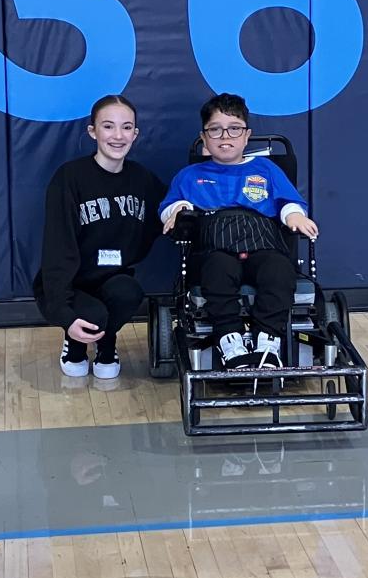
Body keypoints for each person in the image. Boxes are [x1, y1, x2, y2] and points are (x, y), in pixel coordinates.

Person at [159, 92, 319, 370]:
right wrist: (178, 210)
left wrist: (294, 214)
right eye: (215, 130)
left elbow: (289, 201)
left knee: (279, 270)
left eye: (234, 129)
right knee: (218, 270)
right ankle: (229, 340)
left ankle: (268, 341)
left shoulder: (266, 169)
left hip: (262, 243)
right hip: (215, 247)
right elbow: (168, 207)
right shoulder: (189, 176)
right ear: (204, 137)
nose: (225, 137)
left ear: (246, 136)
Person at [34, 95, 166, 380]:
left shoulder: (142, 179)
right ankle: (75, 343)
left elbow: (169, 213)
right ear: (92, 131)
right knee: (93, 315)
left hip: (112, 279)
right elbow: (57, 249)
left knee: (128, 292)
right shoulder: (69, 177)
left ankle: (106, 342)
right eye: (108, 126)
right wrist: (65, 314)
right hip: (71, 284)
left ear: (135, 134)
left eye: (126, 127)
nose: (118, 136)